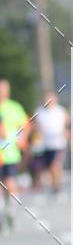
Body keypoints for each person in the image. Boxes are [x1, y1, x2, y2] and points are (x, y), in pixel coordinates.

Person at [0, 79, 29, 231]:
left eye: (5, 89)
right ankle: (2, 216)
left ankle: (10, 211)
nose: (3, 92)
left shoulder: (14, 107)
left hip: (10, 153)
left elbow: (25, 125)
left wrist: (22, 138)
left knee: (10, 183)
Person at [35, 92, 69, 194]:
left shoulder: (60, 111)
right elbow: (36, 127)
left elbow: (68, 124)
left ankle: (57, 187)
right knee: (50, 167)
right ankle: (55, 186)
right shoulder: (40, 111)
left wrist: (67, 134)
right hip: (46, 144)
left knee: (55, 165)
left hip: (59, 144)